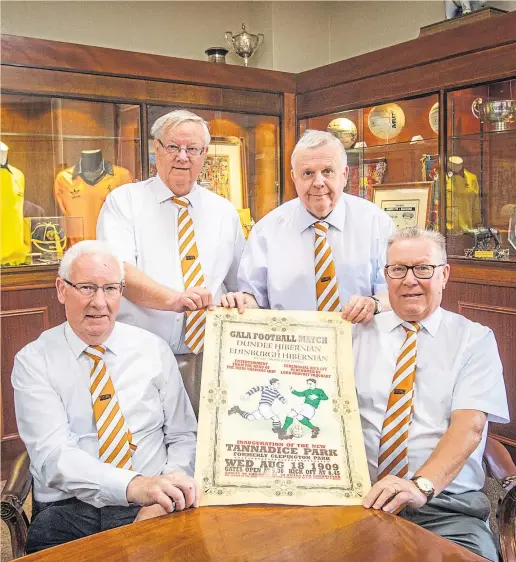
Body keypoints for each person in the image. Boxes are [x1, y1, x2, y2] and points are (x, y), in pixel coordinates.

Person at [12, 241, 199, 553]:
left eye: (110, 288)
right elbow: (53, 457)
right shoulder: (34, 361)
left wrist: (166, 494)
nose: (99, 302)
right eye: (86, 287)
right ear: (61, 289)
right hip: (69, 510)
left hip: (155, 500)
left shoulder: (152, 349)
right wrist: (135, 487)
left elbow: (183, 436)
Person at [354, 227, 509, 561]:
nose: (409, 280)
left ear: (444, 275)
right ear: (386, 276)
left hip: (445, 507)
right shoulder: (355, 336)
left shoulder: (475, 341)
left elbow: (470, 427)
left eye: (423, 268)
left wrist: (421, 486)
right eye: (398, 269)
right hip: (361, 500)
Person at [97, 110, 246, 415]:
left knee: (203, 445)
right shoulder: (123, 202)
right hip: (141, 355)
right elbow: (118, 274)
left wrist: (239, 300)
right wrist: (175, 300)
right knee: (147, 443)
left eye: (192, 149)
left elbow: (240, 284)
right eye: (173, 147)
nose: (183, 157)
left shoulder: (224, 212)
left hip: (210, 357)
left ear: (204, 154)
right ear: (156, 148)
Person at [221, 129, 395, 323]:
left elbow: (394, 293)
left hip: (359, 347)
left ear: (345, 175)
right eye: (308, 173)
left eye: (327, 171)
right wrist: (240, 302)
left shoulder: (377, 223)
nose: (318, 182)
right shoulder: (266, 231)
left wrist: (374, 304)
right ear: (294, 178)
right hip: (291, 348)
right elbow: (253, 298)